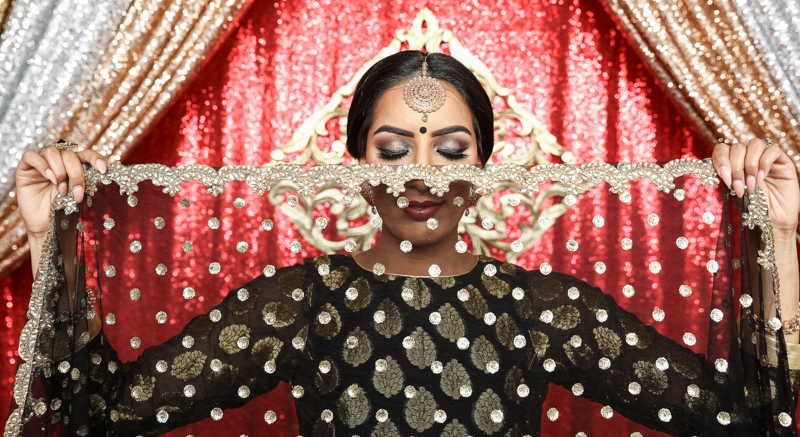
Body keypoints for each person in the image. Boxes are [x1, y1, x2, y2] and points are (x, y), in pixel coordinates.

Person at [10, 50, 800, 436]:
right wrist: (52, 243)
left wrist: (784, 233)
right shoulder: (300, 304)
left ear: (487, 168)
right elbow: (101, 414)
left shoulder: (541, 310)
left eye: (452, 150)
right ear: (355, 166)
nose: (422, 173)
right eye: (393, 151)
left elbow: (742, 417)